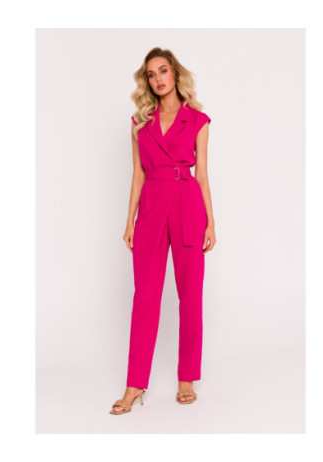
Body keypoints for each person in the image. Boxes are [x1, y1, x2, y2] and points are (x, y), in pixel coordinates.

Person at [110, 47, 216, 415]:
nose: (158, 79)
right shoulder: (140, 123)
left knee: (191, 295)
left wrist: (211, 222)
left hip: (187, 205)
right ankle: (135, 384)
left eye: (163, 71)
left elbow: (202, 175)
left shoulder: (198, 120)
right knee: (145, 297)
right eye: (151, 74)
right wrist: (129, 221)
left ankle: (187, 377)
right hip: (152, 208)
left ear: (175, 74)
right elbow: (138, 174)